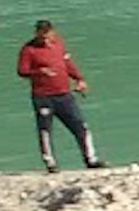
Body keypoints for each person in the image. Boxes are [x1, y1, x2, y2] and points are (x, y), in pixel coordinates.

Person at [16, 19, 100, 170]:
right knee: (45, 130)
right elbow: (22, 71)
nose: (45, 40)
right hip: (43, 97)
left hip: (64, 94)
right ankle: (51, 163)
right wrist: (39, 71)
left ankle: (91, 159)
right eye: (41, 37)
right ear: (36, 33)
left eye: (47, 36)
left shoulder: (58, 44)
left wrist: (79, 79)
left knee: (80, 126)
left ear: (52, 33)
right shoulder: (28, 49)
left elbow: (67, 63)